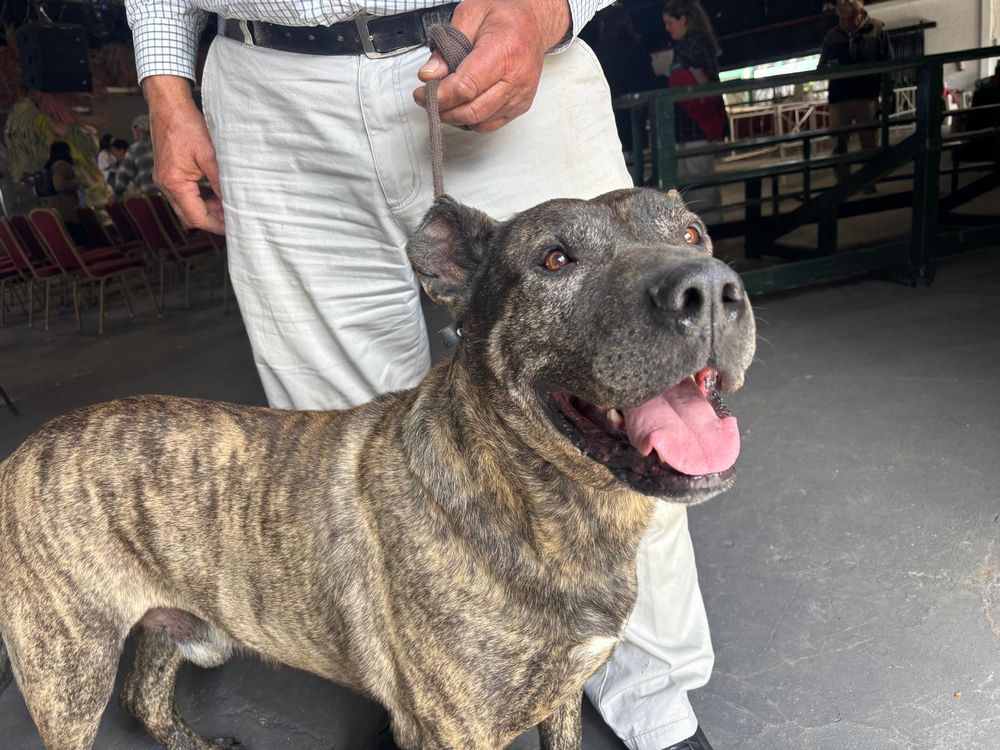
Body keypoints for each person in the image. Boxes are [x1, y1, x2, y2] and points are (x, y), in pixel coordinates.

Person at [126, 2, 717, 749]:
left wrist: (546, 12)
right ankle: (420, 681)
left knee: (634, 395)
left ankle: (650, 699)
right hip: (269, 91)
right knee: (337, 442)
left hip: (495, 45)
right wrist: (165, 89)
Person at [661, 0, 727, 224]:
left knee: (698, 185)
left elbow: (704, 87)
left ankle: (709, 231)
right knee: (699, 183)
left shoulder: (692, 45)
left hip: (694, 125)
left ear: (683, 19)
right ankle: (709, 228)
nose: (667, 29)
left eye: (670, 22)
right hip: (696, 125)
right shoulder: (697, 44)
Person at [818, 0, 893, 186]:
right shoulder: (832, 35)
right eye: (838, 3)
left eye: (847, 2)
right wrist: (828, 67)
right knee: (839, 145)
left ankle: (869, 182)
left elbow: (889, 64)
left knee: (869, 144)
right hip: (839, 99)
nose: (841, 6)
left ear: (859, 3)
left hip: (866, 97)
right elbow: (820, 67)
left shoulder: (877, 29)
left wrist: (888, 93)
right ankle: (844, 186)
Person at [42, 140, 91, 246]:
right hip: (67, 207)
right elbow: (60, 185)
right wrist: (77, 182)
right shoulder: (62, 165)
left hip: (56, 206)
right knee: (81, 240)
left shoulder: (50, 167)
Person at [114, 114, 157, 199]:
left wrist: (117, 194)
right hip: (169, 196)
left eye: (133, 131)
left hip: (150, 196)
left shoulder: (135, 148)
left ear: (138, 131)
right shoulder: (163, 146)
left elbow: (123, 175)